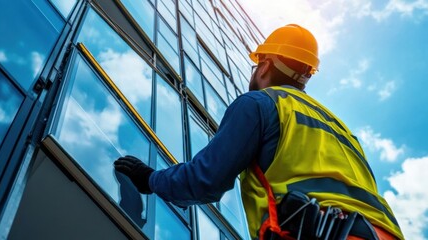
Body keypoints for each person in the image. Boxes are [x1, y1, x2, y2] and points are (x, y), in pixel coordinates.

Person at [114, 24, 403, 240]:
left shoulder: (260, 104)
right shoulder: (342, 131)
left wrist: (150, 179)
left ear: (264, 67)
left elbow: (204, 180)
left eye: (256, 65)